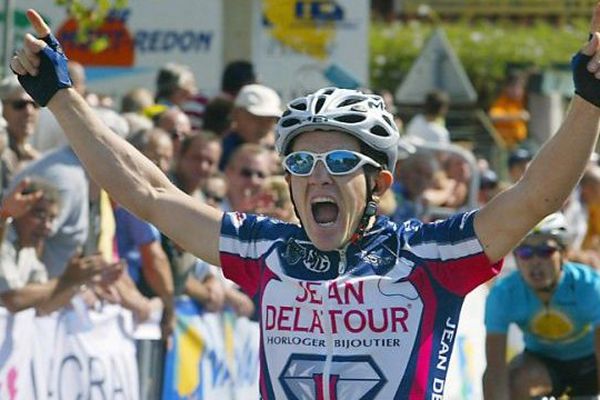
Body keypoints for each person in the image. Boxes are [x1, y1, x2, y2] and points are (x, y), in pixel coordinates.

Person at [10, 7, 600, 398]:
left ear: (380, 185)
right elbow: (149, 191)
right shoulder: (265, 250)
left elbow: (534, 198)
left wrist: (590, 101)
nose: (319, 177)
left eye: (341, 164)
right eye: (301, 164)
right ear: (288, 183)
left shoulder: (428, 254)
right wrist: (60, 99)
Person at [483, 213, 600, 399]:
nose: (535, 261)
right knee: (513, 381)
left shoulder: (590, 287)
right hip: (543, 363)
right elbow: (495, 370)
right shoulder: (503, 294)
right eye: (525, 252)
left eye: (546, 251)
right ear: (516, 257)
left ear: (564, 254)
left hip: (591, 363)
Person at [489, 72, 531, 149]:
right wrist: (517, 116)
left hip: (521, 142)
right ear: (507, 88)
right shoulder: (502, 101)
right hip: (506, 145)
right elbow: (493, 117)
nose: (519, 91)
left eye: (521, 88)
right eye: (516, 88)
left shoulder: (520, 101)